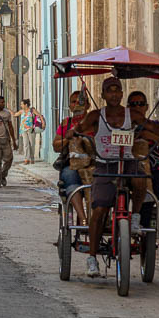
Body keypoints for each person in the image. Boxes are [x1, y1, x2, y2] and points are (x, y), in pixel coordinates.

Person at [71, 76, 159, 277]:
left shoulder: (132, 115)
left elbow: (151, 127)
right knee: (99, 209)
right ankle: (92, 258)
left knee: (140, 180)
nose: (114, 94)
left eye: (117, 90)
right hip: (105, 164)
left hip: (127, 161)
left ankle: (135, 217)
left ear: (121, 94)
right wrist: (74, 134)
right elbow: (79, 128)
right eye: (109, 91)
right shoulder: (96, 116)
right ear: (102, 95)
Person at [126, 91, 159, 226]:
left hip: (150, 167)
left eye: (141, 104)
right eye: (133, 104)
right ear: (128, 107)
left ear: (147, 106)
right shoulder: (123, 124)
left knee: (150, 190)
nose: (137, 107)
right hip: (127, 163)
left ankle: (144, 221)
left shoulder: (156, 125)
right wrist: (146, 135)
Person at [53, 91, 91, 226]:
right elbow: (56, 146)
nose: (77, 105)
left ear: (88, 105)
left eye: (80, 102)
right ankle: (83, 218)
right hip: (72, 164)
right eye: (73, 102)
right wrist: (68, 138)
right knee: (70, 176)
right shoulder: (66, 123)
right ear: (69, 105)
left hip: (94, 163)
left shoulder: (94, 121)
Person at [16, 99, 39, 165]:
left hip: (31, 129)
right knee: (25, 144)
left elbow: (39, 115)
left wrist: (42, 123)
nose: (21, 105)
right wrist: (8, 110)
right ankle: (26, 159)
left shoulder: (32, 110)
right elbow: (15, 114)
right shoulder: (21, 111)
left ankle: (32, 158)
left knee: (32, 144)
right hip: (23, 130)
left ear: (25, 105)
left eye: (21, 104)